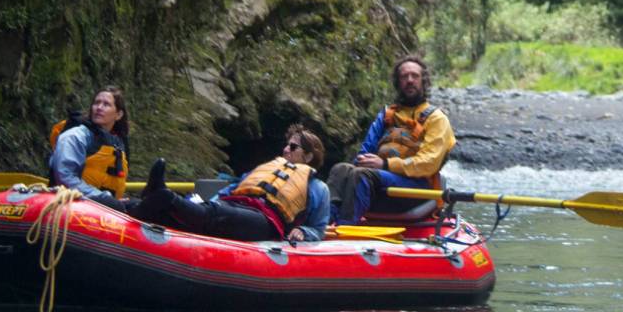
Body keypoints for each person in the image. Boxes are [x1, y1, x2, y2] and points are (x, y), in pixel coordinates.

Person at [133, 124, 332, 242]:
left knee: (218, 214)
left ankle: (164, 196)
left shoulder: (318, 188)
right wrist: (199, 203)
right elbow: (229, 190)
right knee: (214, 209)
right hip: (236, 204)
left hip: (266, 222)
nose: (286, 149)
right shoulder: (268, 169)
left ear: (307, 156)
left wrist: (304, 232)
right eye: (287, 144)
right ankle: (137, 204)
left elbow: (318, 229)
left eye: (293, 146)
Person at [327, 55, 455, 224]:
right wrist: (364, 161)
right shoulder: (387, 115)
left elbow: (428, 164)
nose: (409, 80)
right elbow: (365, 151)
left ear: (423, 82)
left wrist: (386, 165)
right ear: (397, 83)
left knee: (362, 174)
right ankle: (326, 223)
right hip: (380, 187)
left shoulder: (437, 119)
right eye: (404, 76)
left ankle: (346, 227)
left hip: (416, 190)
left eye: (415, 76)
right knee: (341, 169)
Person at [48, 86, 132, 210]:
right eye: (96, 103)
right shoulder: (75, 136)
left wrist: (113, 200)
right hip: (73, 201)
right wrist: (103, 197)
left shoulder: (118, 143)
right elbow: (65, 176)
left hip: (105, 204)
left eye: (106, 104)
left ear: (118, 114)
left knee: (143, 204)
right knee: (115, 205)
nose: (99, 107)